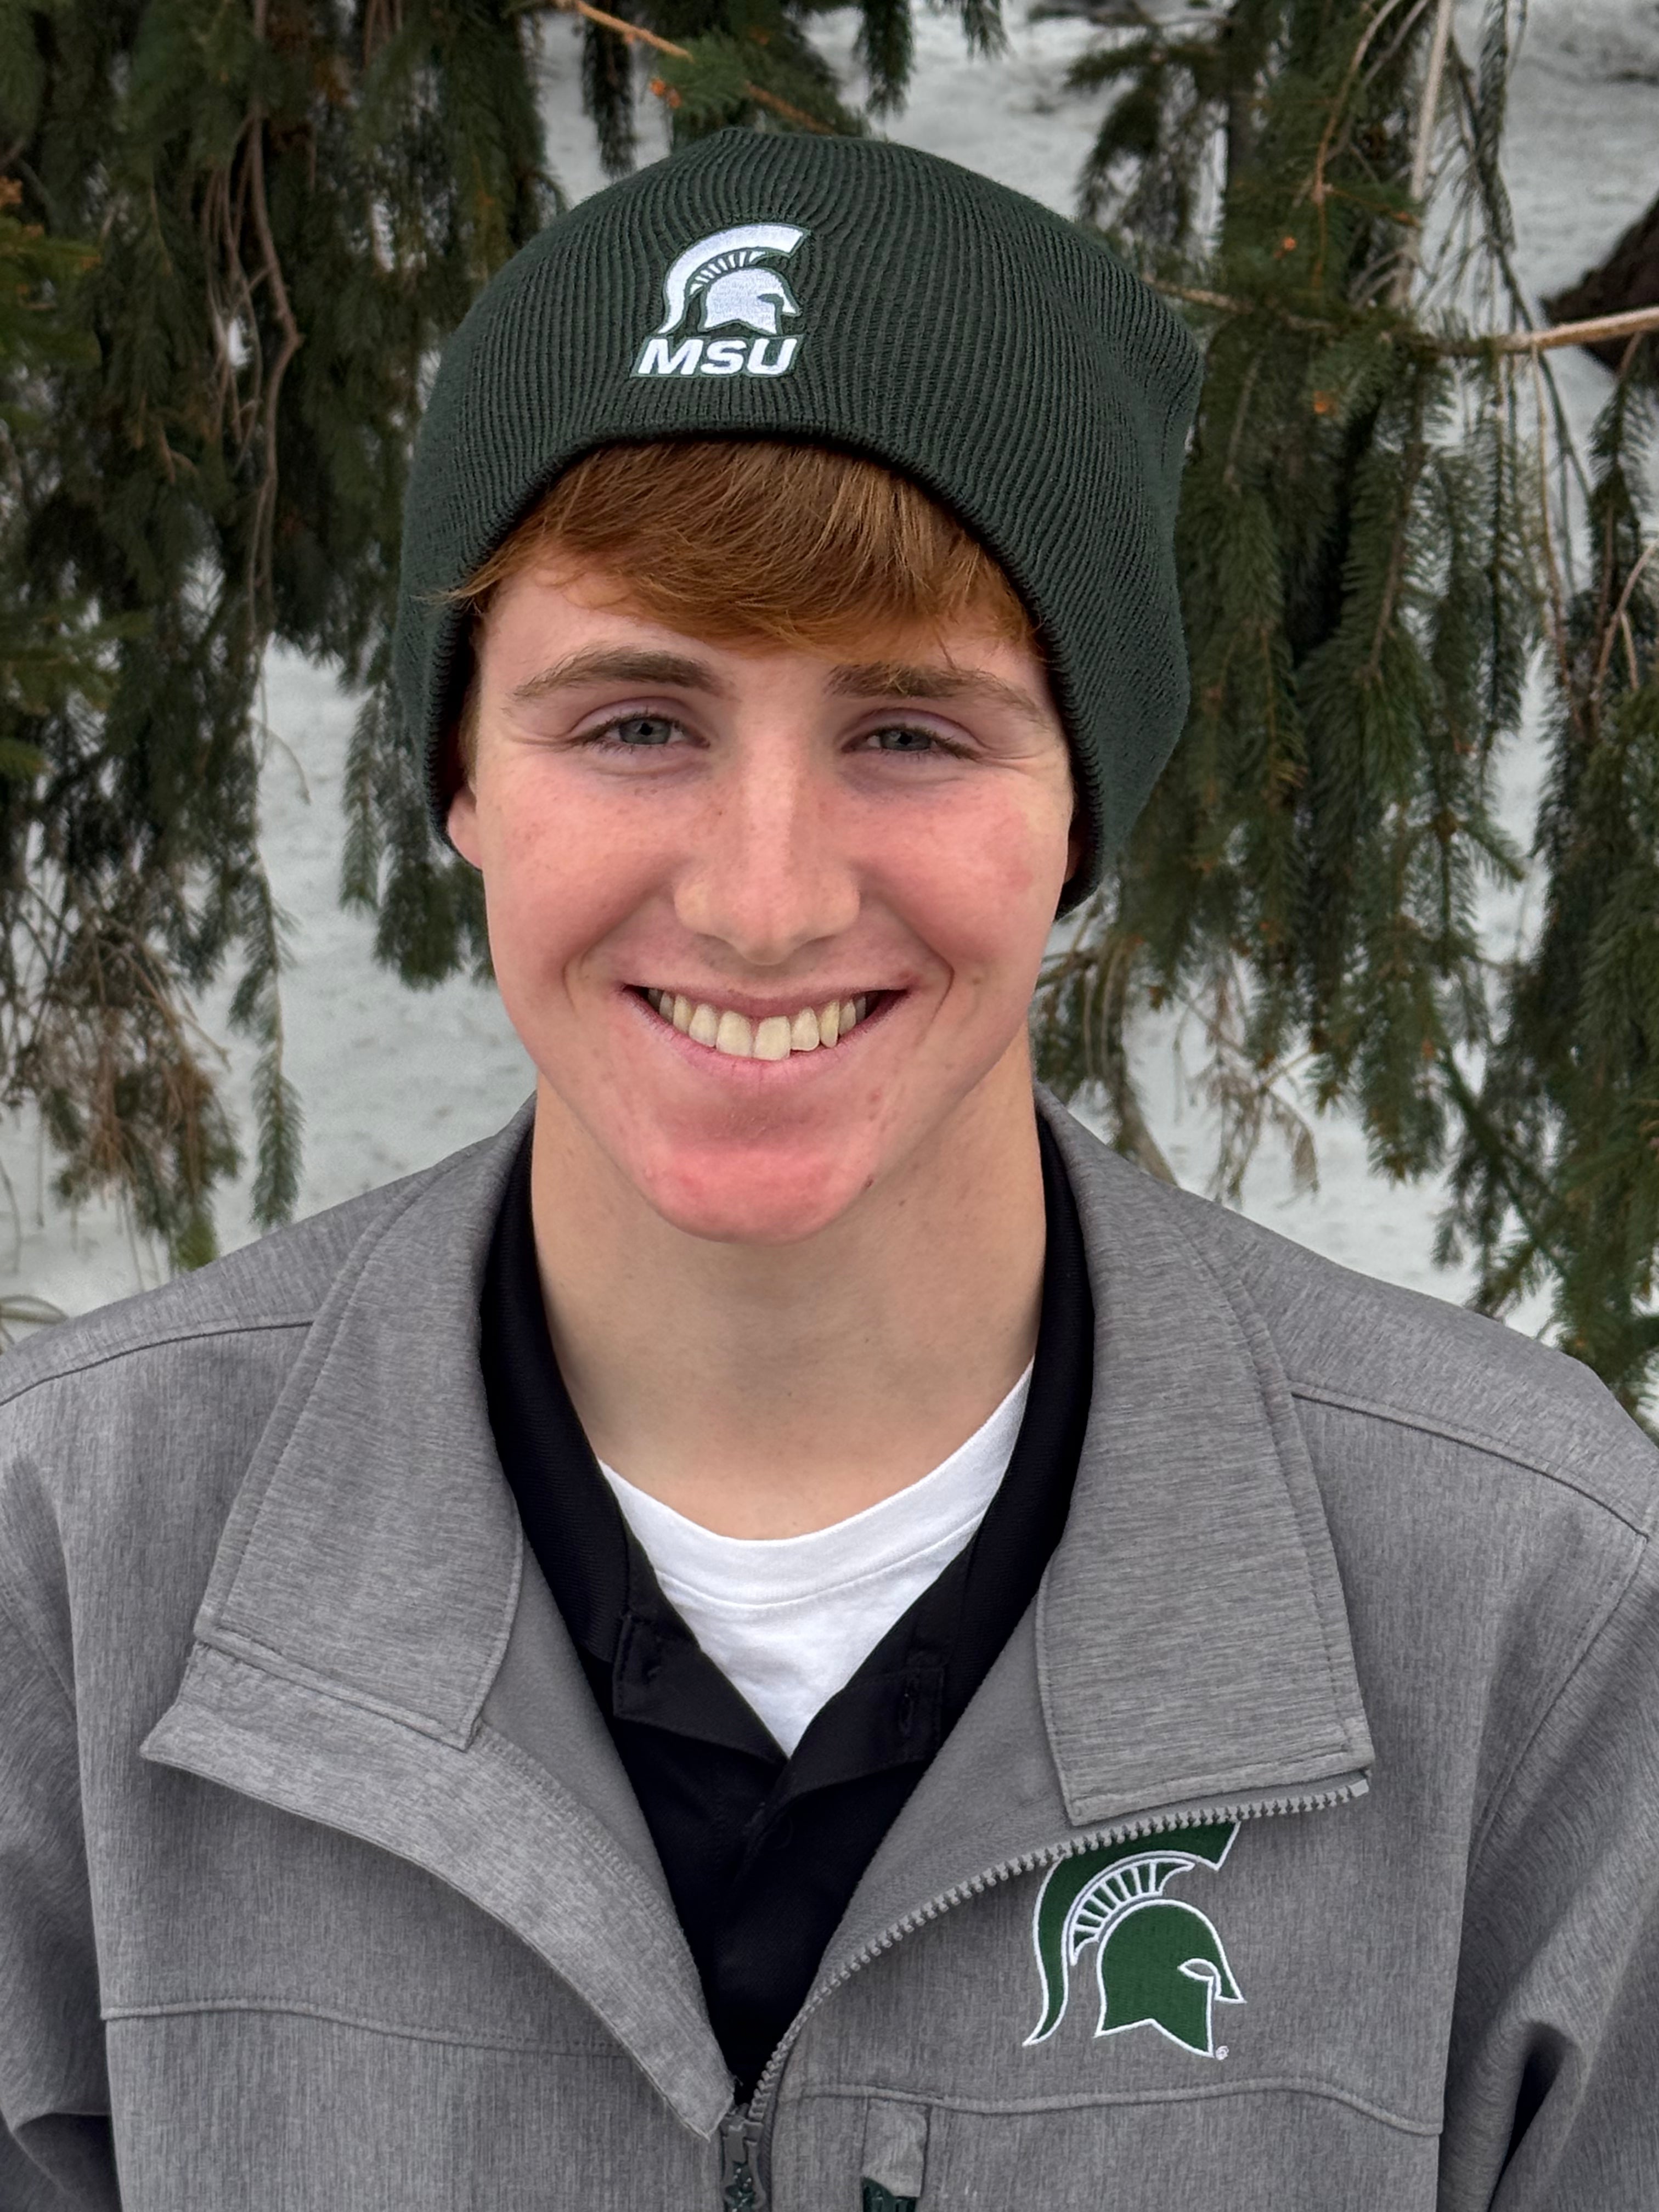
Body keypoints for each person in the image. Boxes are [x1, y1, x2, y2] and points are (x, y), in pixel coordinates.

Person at [1, 127, 1655, 2212]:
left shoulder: (1533, 1612)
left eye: (911, 732)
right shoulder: (63, 1559)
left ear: (1083, 815)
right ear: (457, 779)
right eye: (633, 723)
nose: (766, 900)